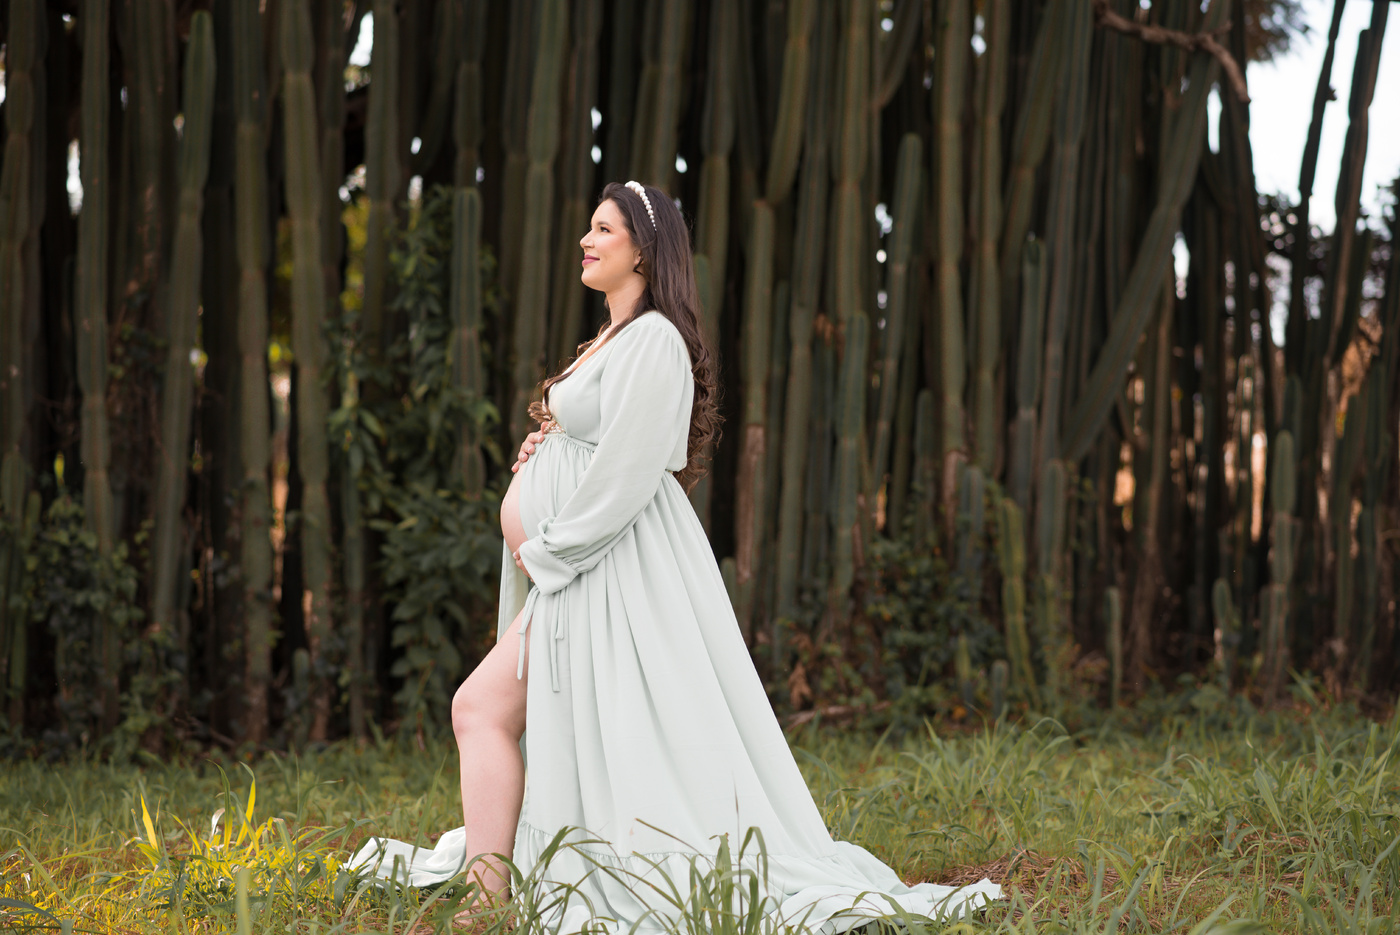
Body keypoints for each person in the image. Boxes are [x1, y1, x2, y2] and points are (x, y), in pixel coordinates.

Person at [349, 181, 1000, 931]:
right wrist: (547, 443)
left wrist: (549, 551)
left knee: (478, 708)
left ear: (644, 251)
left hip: (599, 569)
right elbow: (597, 436)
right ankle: (492, 891)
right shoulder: (612, 337)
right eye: (589, 228)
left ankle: (490, 899)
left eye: (604, 230)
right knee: (492, 713)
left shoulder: (655, 338)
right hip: (578, 571)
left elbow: (629, 470)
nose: (587, 241)